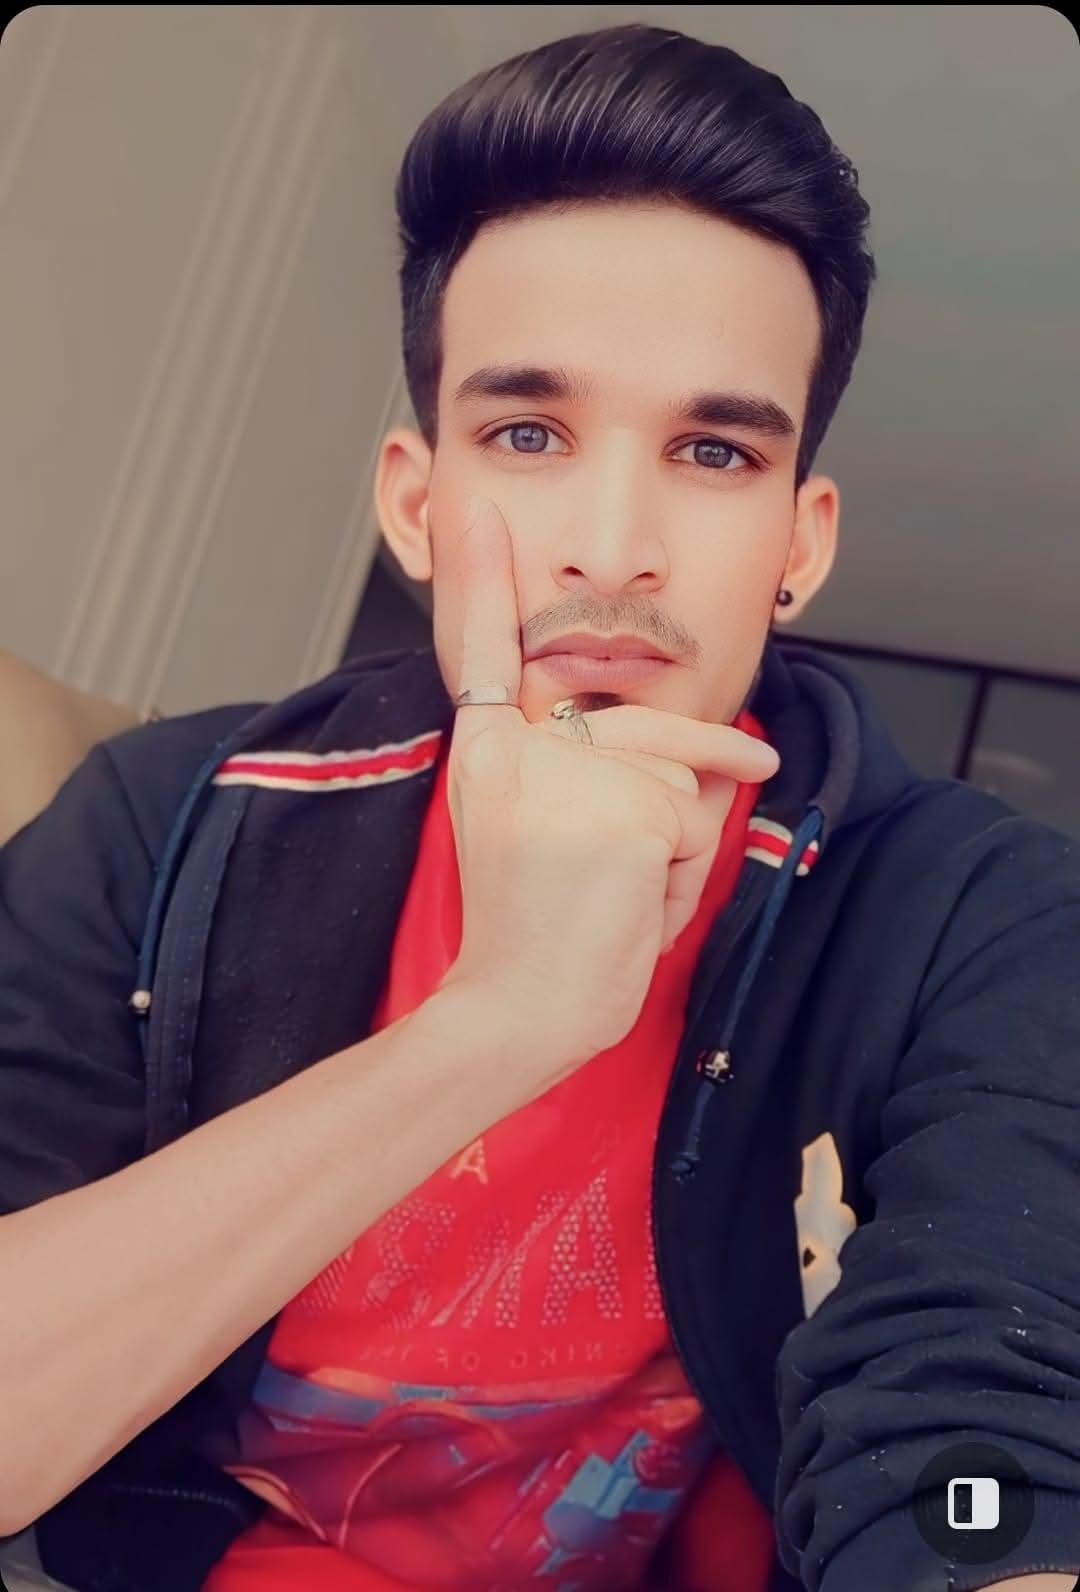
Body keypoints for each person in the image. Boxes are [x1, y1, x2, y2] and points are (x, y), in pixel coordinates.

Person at [0, 21, 1076, 1592]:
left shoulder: (973, 914)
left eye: (714, 450)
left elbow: (981, 1450)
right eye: (526, 434)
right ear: (416, 504)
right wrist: (498, 1021)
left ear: (799, 543)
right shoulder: (161, 824)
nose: (614, 545)